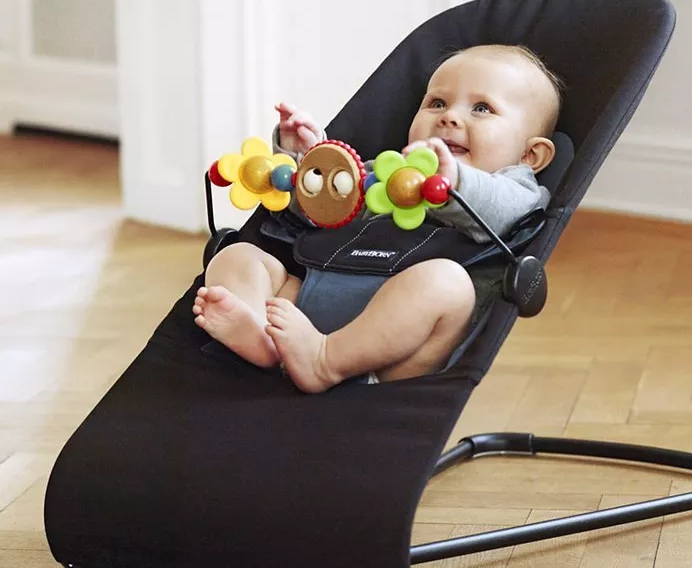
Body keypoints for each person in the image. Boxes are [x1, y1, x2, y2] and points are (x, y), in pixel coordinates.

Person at [193, 44, 562, 392]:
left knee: (448, 284)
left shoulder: (516, 189)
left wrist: (455, 182)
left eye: (482, 108)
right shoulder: (386, 175)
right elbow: (318, 213)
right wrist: (309, 167)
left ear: (531, 156)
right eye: (437, 102)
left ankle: (325, 362)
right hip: (308, 304)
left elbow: (499, 209)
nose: (449, 116)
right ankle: (261, 338)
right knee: (238, 256)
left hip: (392, 352)